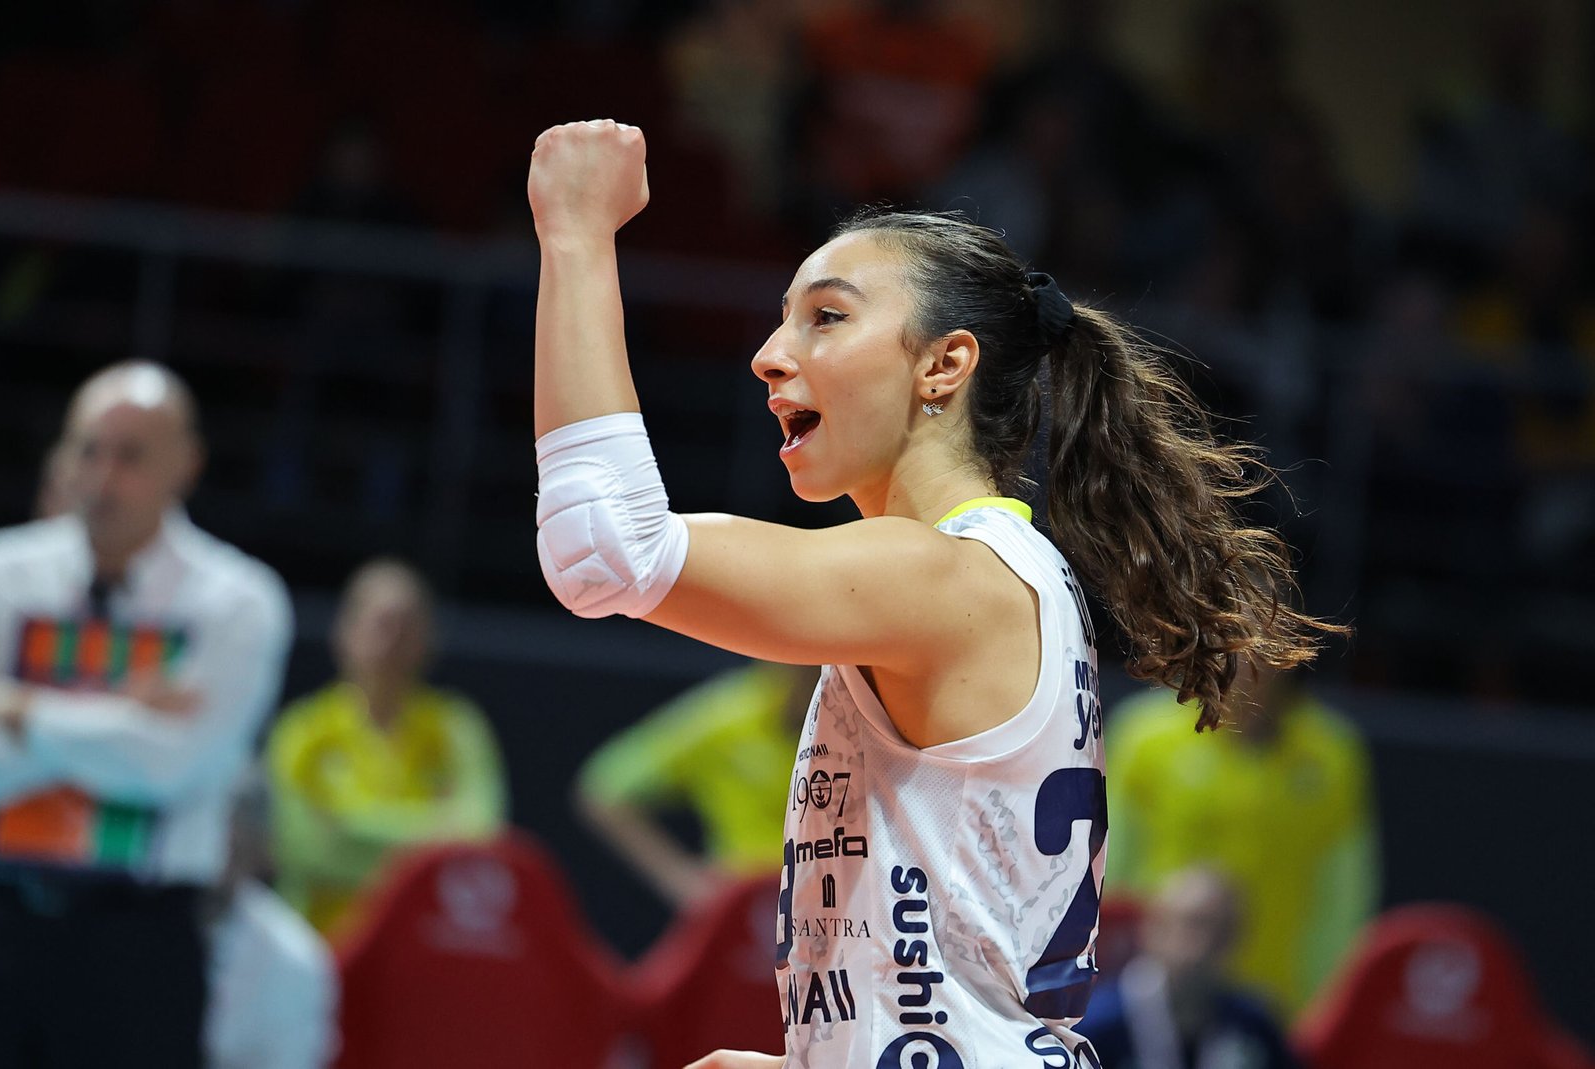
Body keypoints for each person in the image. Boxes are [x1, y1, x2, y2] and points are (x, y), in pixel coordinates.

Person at [527, 119, 1344, 1068]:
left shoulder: (943, 576)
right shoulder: (991, 572)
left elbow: (604, 548)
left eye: (826, 317)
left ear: (944, 365)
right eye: (783, 317)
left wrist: (576, 232)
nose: (770, 352)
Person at [0, 361, 293, 1068]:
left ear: (186, 464)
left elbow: (175, 767)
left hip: (138, 943)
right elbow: (145, 753)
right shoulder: (5, 573)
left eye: (130, 456)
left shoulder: (237, 601)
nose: (102, 477)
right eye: (88, 450)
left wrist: (21, 708)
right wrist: (123, 714)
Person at [1105, 664, 1378, 1017]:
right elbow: (1107, 869)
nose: (1249, 663)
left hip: (1278, 1001)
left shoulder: (1334, 753)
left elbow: (1344, 896)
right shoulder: (1142, 736)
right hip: (1156, 996)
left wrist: (1326, 1001)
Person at [267, 557, 507, 935]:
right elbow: (303, 849)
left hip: (425, 945)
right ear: (345, 630)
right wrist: (433, 833)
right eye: (382, 623)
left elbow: (479, 839)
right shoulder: (301, 730)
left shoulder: (458, 727)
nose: (393, 640)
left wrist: (347, 827)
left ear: (428, 638)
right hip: (324, 944)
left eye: (408, 626)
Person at [576, 661, 817, 908]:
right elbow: (603, 791)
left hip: (830, 896)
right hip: (748, 905)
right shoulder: (724, 716)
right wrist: (679, 878)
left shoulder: (840, 718)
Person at [1081, 866, 1302, 1069]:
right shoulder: (1096, 1025)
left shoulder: (1255, 1026)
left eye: (1222, 933)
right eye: (1191, 925)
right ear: (1152, 928)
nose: (1204, 946)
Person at [204, 768, 338, 1069]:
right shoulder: (116, 927)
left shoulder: (294, 959)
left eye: (233, 845)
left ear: (263, 850)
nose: (213, 861)